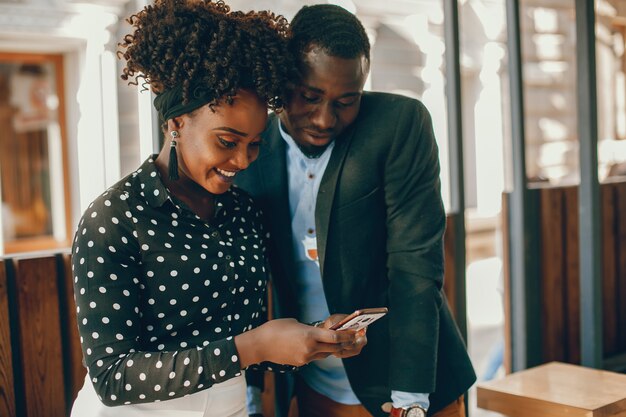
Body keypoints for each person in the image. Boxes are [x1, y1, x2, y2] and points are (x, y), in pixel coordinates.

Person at [69, 2, 366, 417]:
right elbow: (113, 377)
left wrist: (311, 339)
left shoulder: (243, 211)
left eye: (255, 143)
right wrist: (253, 347)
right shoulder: (115, 219)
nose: (244, 162)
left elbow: (236, 345)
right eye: (227, 141)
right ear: (176, 125)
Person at [236, 4, 476, 417]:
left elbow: (414, 268)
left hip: (404, 381)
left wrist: (410, 399)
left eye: (346, 101)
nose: (325, 118)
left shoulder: (400, 125)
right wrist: (250, 392)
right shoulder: (251, 148)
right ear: (284, 82)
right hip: (311, 383)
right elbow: (247, 279)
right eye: (310, 97)